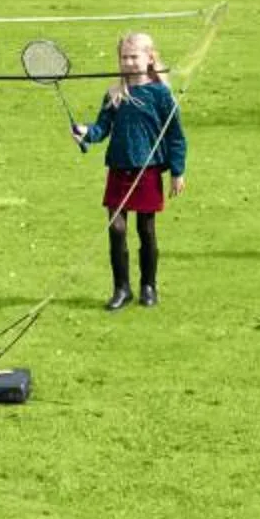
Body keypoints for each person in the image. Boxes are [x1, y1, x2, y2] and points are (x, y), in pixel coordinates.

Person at [72, 29, 187, 309]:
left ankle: (149, 286)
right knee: (117, 229)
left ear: (149, 58)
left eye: (134, 57)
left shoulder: (161, 94)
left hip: (146, 170)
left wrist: (177, 171)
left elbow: (175, 136)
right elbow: (103, 128)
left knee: (146, 229)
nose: (128, 62)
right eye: (124, 57)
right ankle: (121, 289)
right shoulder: (115, 93)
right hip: (119, 168)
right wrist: (87, 132)